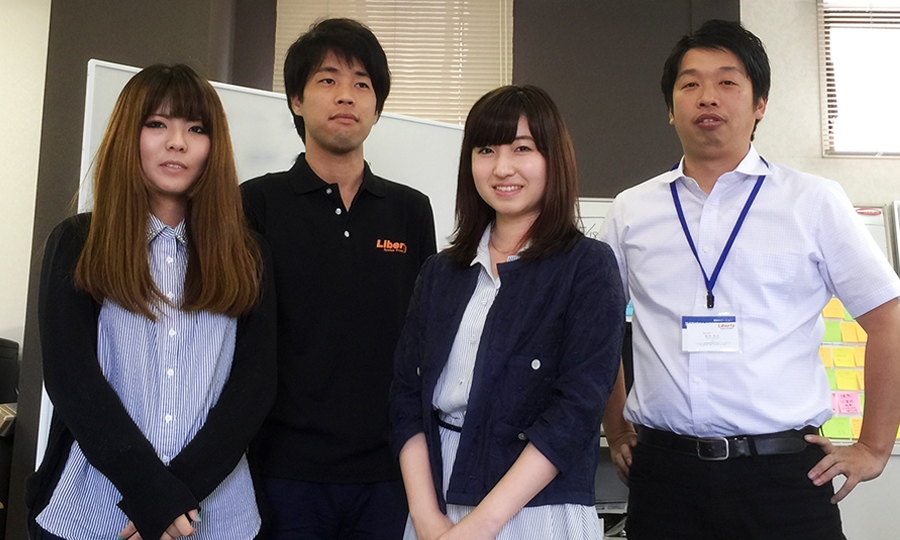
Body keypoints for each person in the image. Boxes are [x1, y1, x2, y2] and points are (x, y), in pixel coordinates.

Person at [599, 19, 900, 540]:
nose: (707, 96)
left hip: (783, 477)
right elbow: (596, 326)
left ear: (760, 103)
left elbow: (888, 315)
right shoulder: (631, 210)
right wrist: (617, 428)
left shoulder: (812, 201)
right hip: (665, 477)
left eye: (727, 82)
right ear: (670, 107)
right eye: (690, 84)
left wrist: (874, 446)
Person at [27, 64, 277, 540]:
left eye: (196, 128)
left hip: (218, 513)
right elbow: (72, 381)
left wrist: (170, 502)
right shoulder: (78, 242)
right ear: (129, 136)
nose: (177, 142)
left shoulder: (248, 254)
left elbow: (253, 389)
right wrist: (152, 495)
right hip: (92, 511)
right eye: (157, 124)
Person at [391, 85, 626, 540]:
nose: (502, 168)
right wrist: (425, 516)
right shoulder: (442, 271)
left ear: (553, 158)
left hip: (537, 505)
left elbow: (576, 411)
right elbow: (406, 396)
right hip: (437, 498)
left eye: (522, 149)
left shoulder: (587, 266)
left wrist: (480, 526)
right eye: (486, 150)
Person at [241, 18, 437, 539]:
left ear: (377, 107)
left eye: (361, 84)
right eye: (327, 79)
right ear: (297, 100)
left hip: (388, 469)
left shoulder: (410, 211)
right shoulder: (255, 203)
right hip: (284, 470)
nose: (345, 95)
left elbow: (425, 341)